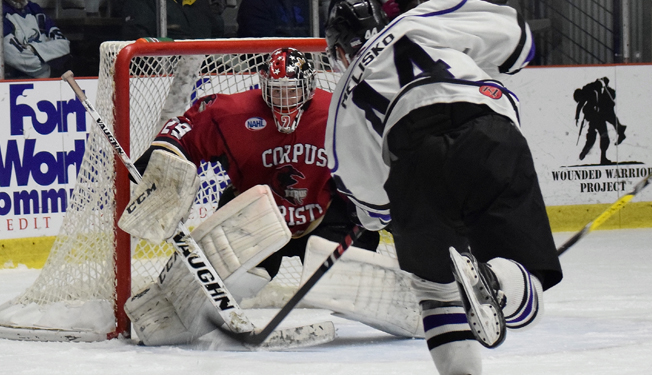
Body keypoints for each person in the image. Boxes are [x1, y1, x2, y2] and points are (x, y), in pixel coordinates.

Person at [121, 47, 423, 346]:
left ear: (309, 87)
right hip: (256, 222)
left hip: (323, 217)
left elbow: (377, 155)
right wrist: (163, 156)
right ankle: (165, 318)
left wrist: (381, 203)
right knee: (240, 280)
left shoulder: (337, 113)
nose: (284, 100)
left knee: (347, 283)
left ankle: (429, 310)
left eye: (292, 91)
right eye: (276, 91)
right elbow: (183, 130)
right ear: (263, 85)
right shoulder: (232, 113)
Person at [324, 0, 563, 374]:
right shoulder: (419, 20)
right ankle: (495, 279)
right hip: (488, 134)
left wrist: (392, 216)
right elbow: (519, 39)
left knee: (436, 293)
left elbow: (371, 207)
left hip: (413, 161)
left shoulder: (341, 102)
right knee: (527, 305)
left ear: (339, 49)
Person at [2, 0, 71, 79]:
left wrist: (32, 48)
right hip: (16, 81)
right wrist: (50, 62)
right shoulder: (2, 14)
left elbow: (64, 45)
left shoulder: (35, 9)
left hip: (47, 80)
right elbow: (17, 59)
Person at [574, 77, 627, 164]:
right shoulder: (588, 93)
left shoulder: (588, 90)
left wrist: (596, 106)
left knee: (601, 135)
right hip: (599, 115)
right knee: (603, 133)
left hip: (600, 112)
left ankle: (597, 155)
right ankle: (620, 131)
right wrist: (577, 117)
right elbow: (581, 104)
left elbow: (589, 99)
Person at [122, 0, 226, 40]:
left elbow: (216, 32)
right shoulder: (142, 4)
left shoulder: (197, 3)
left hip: (202, 69)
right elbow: (139, 39)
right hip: (162, 75)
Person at [236, 0, 310, 37]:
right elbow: (265, 46)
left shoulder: (308, 3)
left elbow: (319, 34)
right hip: (267, 64)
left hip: (310, 62)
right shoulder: (253, 4)